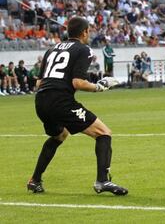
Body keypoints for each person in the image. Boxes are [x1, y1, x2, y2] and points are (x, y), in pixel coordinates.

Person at [27, 17, 128, 195]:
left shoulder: (52, 49)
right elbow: (78, 82)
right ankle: (102, 181)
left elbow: (38, 83)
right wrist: (99, 86)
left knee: (60, 135)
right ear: (84, 32)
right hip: (61, 102)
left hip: (41, 101)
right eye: (89, 31)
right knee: (103, 133)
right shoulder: (83, 49)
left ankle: (35, 180)